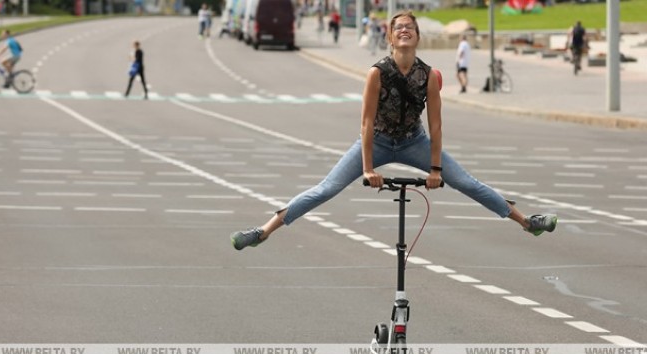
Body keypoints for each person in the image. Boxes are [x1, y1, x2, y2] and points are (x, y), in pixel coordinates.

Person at [230, 11, 557, 251]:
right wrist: (369, 168)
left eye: (410, 28)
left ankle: (528, 223)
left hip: (414, 142)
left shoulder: (428, 75)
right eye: (398, 28)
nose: (404, 31)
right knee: (326, 189)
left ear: (417, 37)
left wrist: (435, 168)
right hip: (379, 141)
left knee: (466, 182)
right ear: (390, 37)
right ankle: (263, 231)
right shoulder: (377, 73)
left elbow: (437, 124)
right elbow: (367, 122)